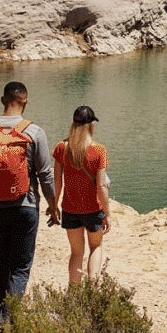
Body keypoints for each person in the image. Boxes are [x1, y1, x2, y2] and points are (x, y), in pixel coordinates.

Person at [0, 81, 59, 323]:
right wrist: (53, 205)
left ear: (3, 101)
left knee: (1, 265)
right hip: (26, 207)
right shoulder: (34, 132)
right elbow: (45, 174)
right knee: (20, 267)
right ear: (25, 101)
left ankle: (1, 314)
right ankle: (9, 319)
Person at [52, 105, 111, 283]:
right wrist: (107, 213)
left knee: (76, 253)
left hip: (70, 209)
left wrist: (54, 206)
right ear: (91, 125)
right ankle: (92, 290)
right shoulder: (99, 150)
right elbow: (101, 186)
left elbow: (57, 182)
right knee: (96, 247)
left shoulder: (61, 148)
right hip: (93, 209)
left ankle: (74, 294)